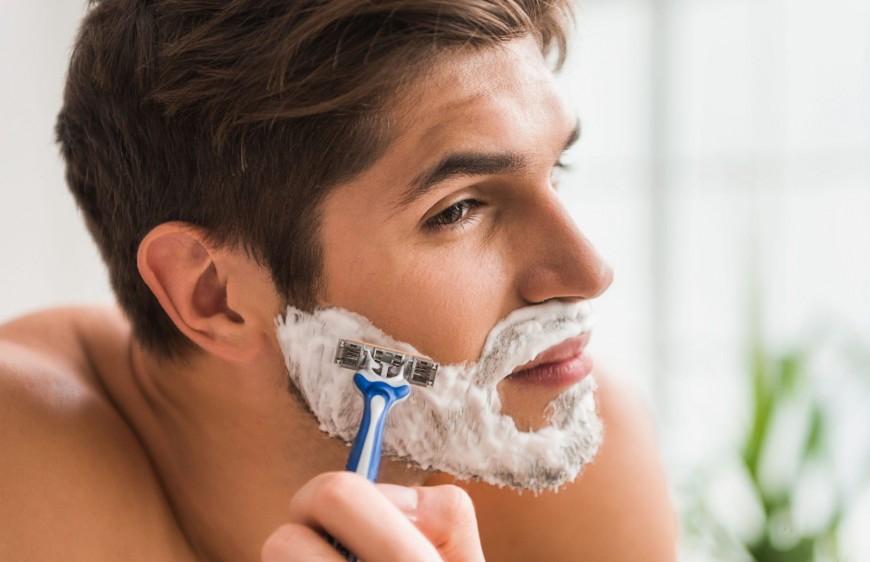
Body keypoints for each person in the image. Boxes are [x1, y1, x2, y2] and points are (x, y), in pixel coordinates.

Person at [0, 1, 676, 560]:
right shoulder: (22, 469)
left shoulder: (561, 441)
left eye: (556, 170)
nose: (590, 272)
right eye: (459, 210)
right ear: (214, 295)